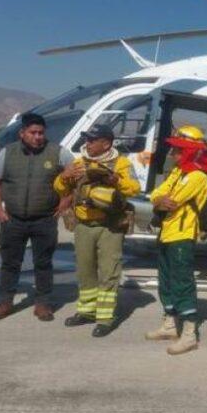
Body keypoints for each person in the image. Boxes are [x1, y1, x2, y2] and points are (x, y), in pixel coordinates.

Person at [54, 123, 140, 337]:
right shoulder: (79, 162)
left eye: (92, 140)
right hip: (84, 226)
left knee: (109, 272)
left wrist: (115, 181)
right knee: (85, 270)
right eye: (87, 140)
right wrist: (64, 176)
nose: (88, 144)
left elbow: (134, 188)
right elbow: (60, 188)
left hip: (109, 226)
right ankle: (86, 311)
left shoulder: (121, 163)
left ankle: (105, 318)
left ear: (106, 143)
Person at [0, 113, 74, 322]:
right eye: (33, 133)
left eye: (41, 133)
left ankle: (43, 303)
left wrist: (66, 202)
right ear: (22, 133)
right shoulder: (7, 154)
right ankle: (5, 302)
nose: (38, 137)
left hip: (44, 220)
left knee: (43, 263)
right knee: (10, 263)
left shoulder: (59, 153)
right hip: (13, 220)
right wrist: (0, 211)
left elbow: (75, 178)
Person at [144, 125, 207, 355]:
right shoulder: (177, 172)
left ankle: (190, 333)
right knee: (166, 280)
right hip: (166, 233)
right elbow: (156, 194)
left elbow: (173, 199)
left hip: (182, 236)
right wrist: (158, 200)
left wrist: (161, 199)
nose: (172, 154)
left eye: (178, 150)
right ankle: (170, 325)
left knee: (182, 282)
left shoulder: (197, 176)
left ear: (190, 151)